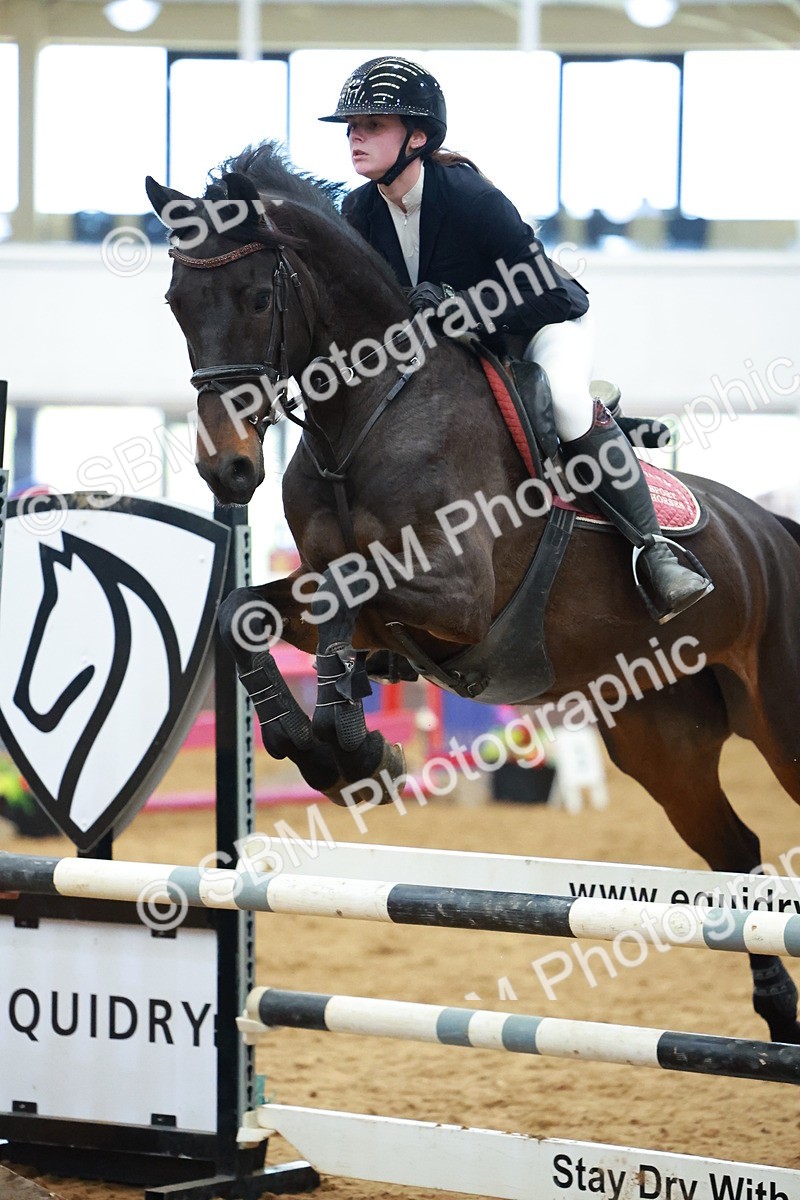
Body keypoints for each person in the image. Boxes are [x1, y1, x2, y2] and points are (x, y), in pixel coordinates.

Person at [320, 56, 712, 622]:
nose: (355, 135)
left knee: (566, 401)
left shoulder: (471, 198)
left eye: (373, 124)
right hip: (469, 348)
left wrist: (463, 308)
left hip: (544, 326)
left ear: (419, 136)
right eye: (352, 126)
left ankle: (655, 552)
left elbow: (549, 293)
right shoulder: (357, 211)